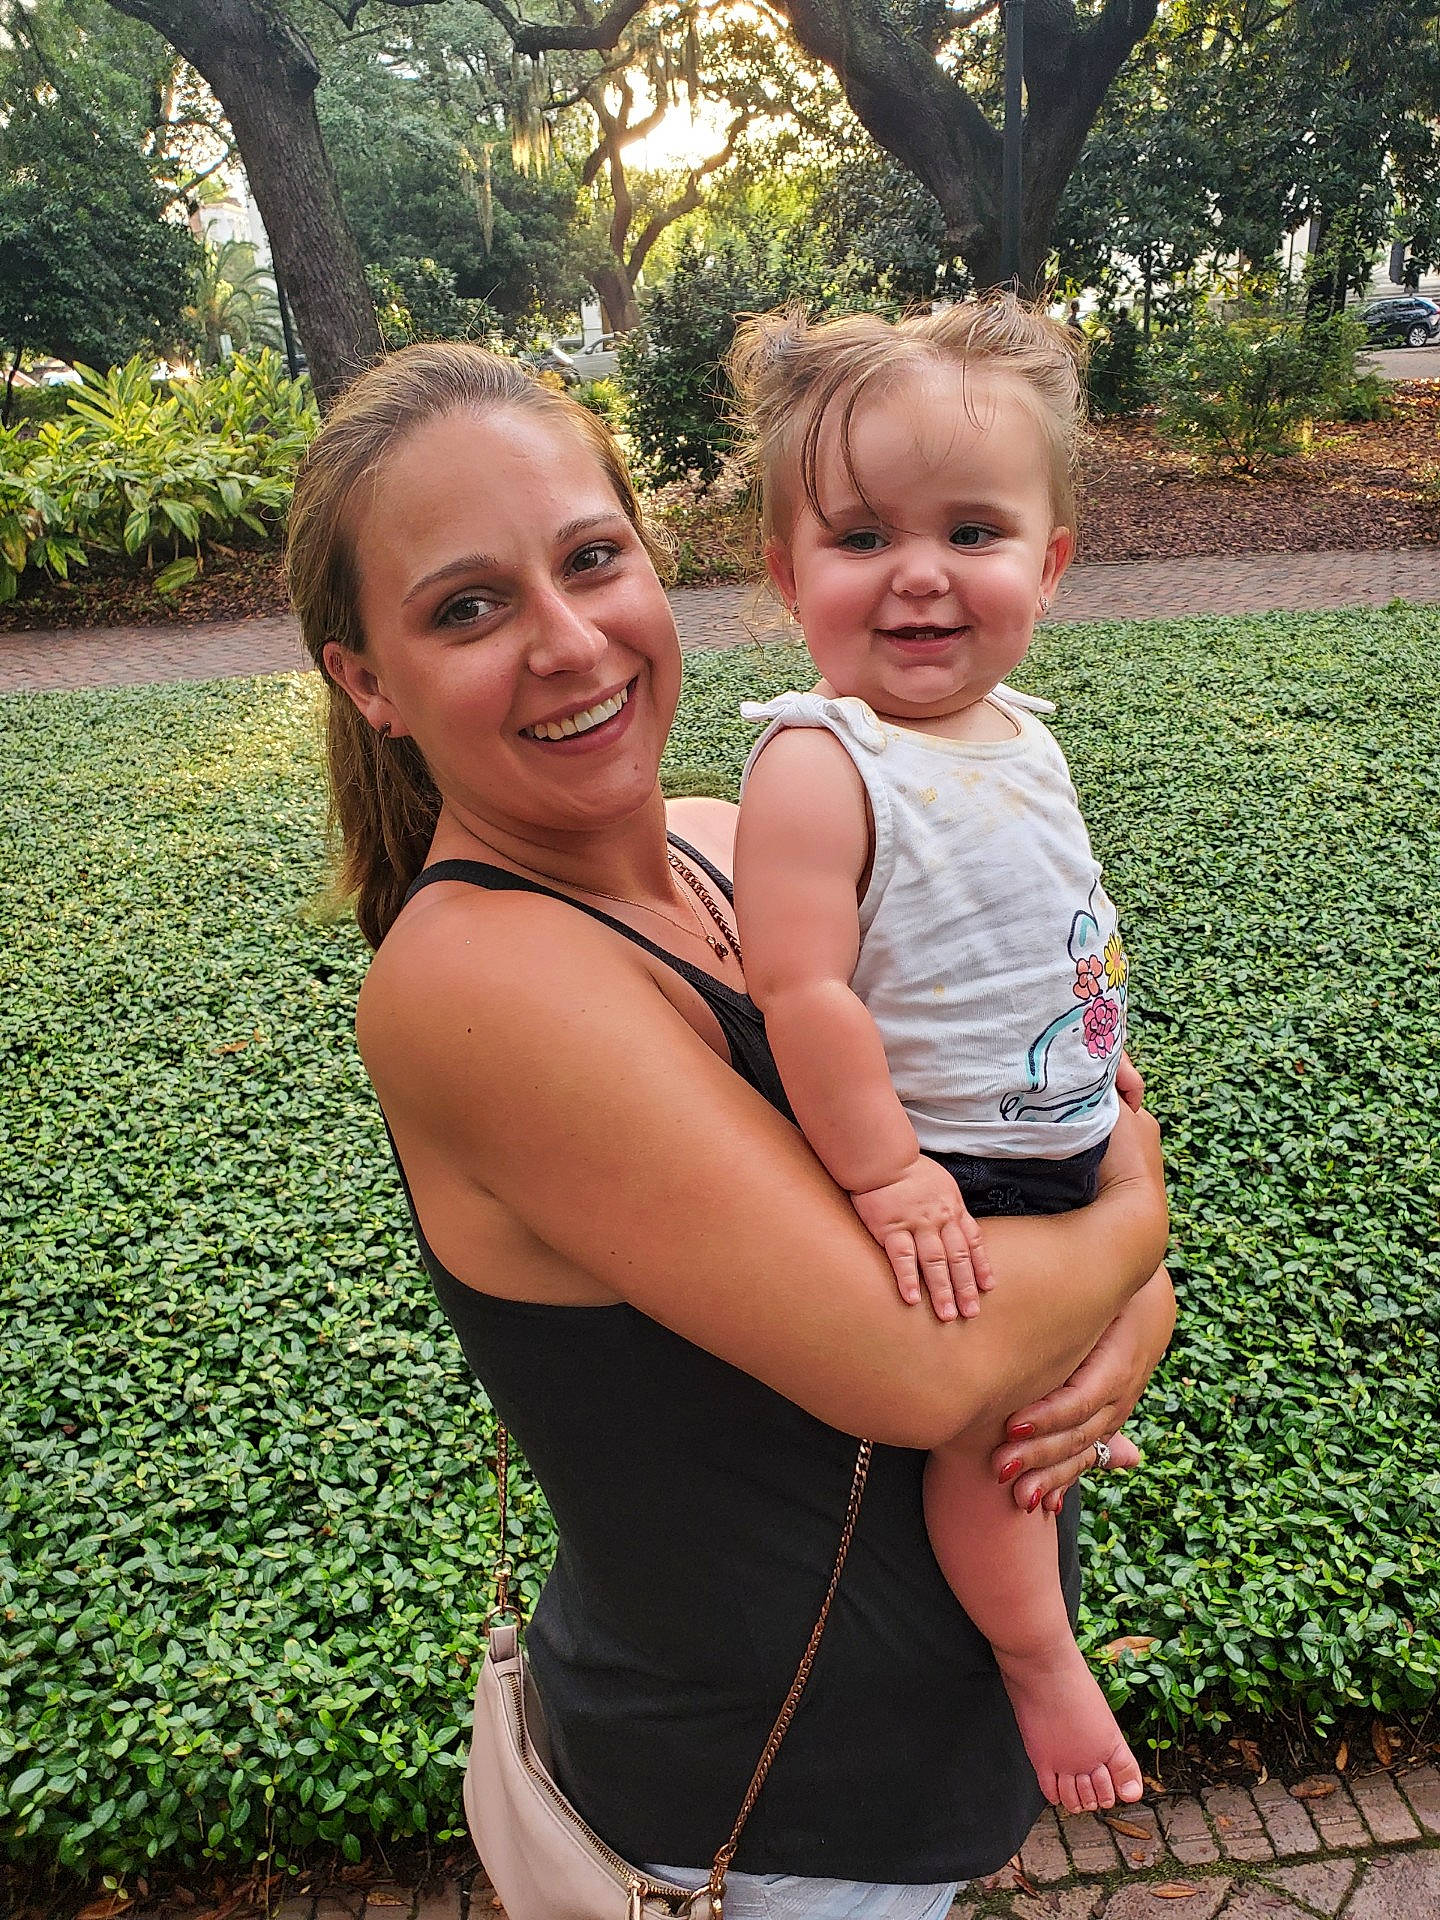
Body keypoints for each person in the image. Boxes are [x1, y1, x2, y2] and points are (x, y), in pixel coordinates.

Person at [287, 341, 1174, 1915]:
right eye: (468, 607)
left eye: (590, 559)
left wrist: (1126, 1298)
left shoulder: (725, 840)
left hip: (898, 1749)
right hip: (762, 1817)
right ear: (369, 679)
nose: (569, 645)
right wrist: (1134, 1242)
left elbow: (1056, 1057)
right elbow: (918, 1364)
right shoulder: (479, 985)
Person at [727, 299, 1161, 1814]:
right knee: (990, 1447)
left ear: (1045, 564)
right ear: (788, 576)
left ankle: (1021, 1645)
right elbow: (807, 996)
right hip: (951, 1173)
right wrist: (892, 1173)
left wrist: (1118, 1125)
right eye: (859, 539)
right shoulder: (816, 761)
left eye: (971, 529)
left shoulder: (1021, 734)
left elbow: (1061, 936)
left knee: (1047, 1431)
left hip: (1058, 1135)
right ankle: (1043, 1664)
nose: (918, 572)